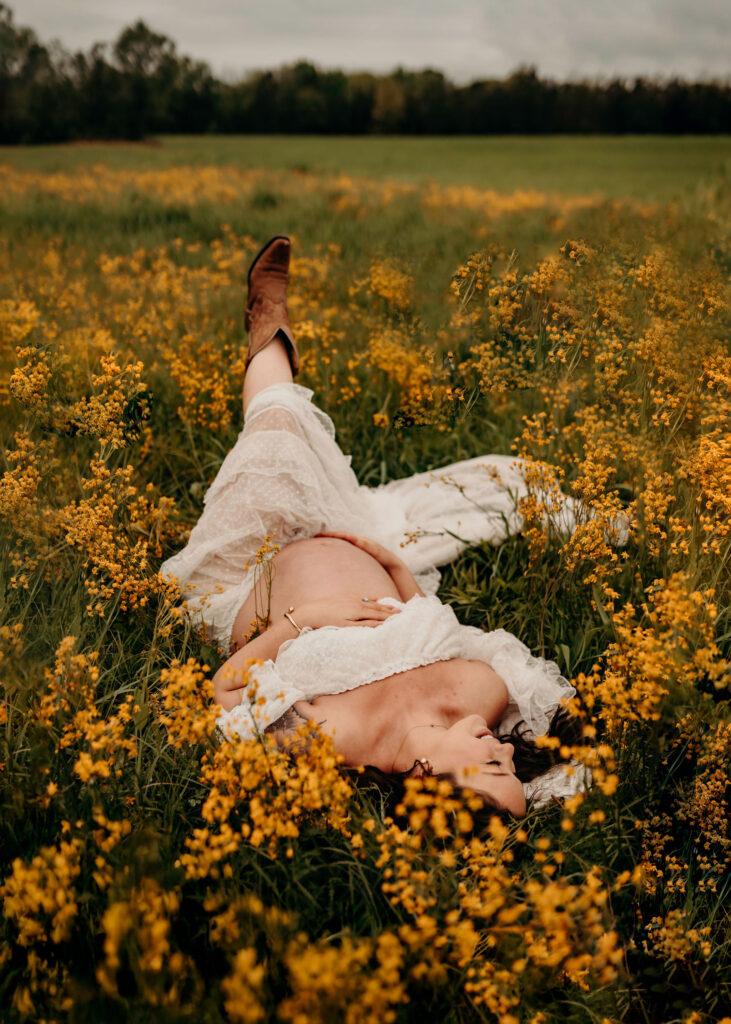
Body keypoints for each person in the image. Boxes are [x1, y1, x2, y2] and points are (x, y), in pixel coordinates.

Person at [160, 236, 590, 818]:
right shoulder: (484, 694)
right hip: (356, 537)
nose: (506, 755)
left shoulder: (329, 743)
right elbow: (445, 629)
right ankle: (271, 333)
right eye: (512, 767)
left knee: (278, 428)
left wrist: (301, 619)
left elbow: (226, 690)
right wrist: (392, 567)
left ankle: (267, 318)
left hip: (255, 568)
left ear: (432, 780)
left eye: (494, 768)